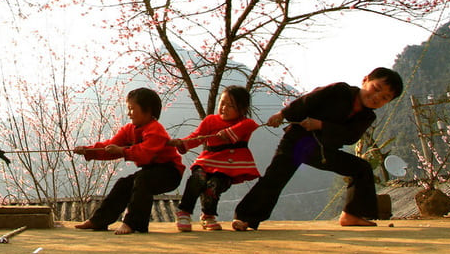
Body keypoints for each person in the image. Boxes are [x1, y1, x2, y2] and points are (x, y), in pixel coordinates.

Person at [232, 67, 403, 231]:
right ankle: (245, 217)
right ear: (365, 80)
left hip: (322, 151)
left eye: (384, 97)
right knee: (275, 177)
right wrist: (282, 115)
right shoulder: (340, 90)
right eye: (376, 88)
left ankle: (352, 215)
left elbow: (350, 137)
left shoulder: (367, 116)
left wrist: (321, 125)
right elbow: (308, 101)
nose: (376, 97)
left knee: (361, 168)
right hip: (297, 142)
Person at [73, 87, 185, 234]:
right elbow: (110, 147)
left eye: (132, 109)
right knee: (123, 184)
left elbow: (144, 154)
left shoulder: (156, 131)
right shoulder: (129, 130)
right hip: (149, 172)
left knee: (142, 180)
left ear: (147, 110)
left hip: (170, 172)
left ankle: (133, 223)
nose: (129, 114)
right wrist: (88, 151)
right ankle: (99, 220)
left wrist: (122, 151)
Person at [170, 86, 260, 232]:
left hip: (228, 168)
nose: (224, 108)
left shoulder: (246, 123)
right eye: (222, 103)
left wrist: (228, 132)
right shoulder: (210, 121)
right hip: (206, 162)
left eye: (230, 105)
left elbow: (246, 126)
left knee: (214, 186)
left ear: (242, 109)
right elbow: (197, 137)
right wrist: (182, 143)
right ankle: (184, 211)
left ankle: (208, 215)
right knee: (197, 179)